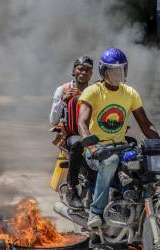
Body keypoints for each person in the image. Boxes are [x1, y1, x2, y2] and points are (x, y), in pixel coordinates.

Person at [78, 48, 160, 227]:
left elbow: (146, 125)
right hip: (98, 150)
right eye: (112, 70)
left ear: (125, 70)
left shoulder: (130, 93)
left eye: (120, 70)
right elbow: (82, 123)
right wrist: (91, 146)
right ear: (103, 71)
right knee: (111, 161)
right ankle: (96, 211)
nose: (117, 74)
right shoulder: (92, 92)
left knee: (144, 163)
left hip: (122, 147)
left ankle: (143, 205)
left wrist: (159, 144)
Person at [49, 56, 93, 209]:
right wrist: (63, 101)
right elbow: (53, 120)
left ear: (91, 73)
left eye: (87, 70)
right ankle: (72, 189)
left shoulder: (95, 90)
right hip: (71, 135)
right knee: (78, 143)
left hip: (93, 134)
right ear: (74, 71)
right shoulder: (63, 89)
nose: (83, 72)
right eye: (80, 68)